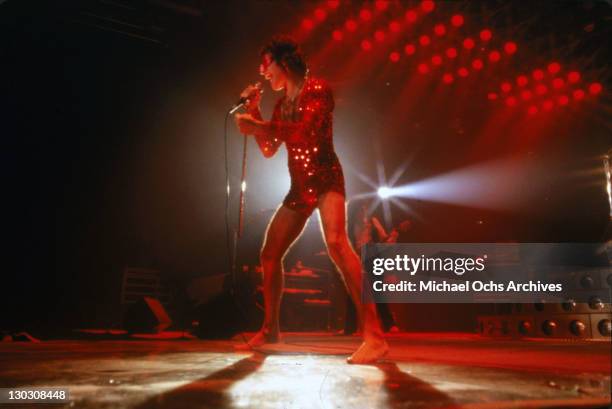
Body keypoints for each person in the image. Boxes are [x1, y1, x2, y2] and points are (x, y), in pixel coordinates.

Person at [234, 36, 388, 364]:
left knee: (336, 243)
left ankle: (375, 336)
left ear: (284, 63)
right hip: (299, 187)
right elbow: (269, 148)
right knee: (269, 253)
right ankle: (272, 329)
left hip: (326, 177)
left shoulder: (317, 89)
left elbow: (305, 132)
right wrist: (255, 113)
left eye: (267, 65)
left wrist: (259, 125)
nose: (263, 72)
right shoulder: (279, 105)